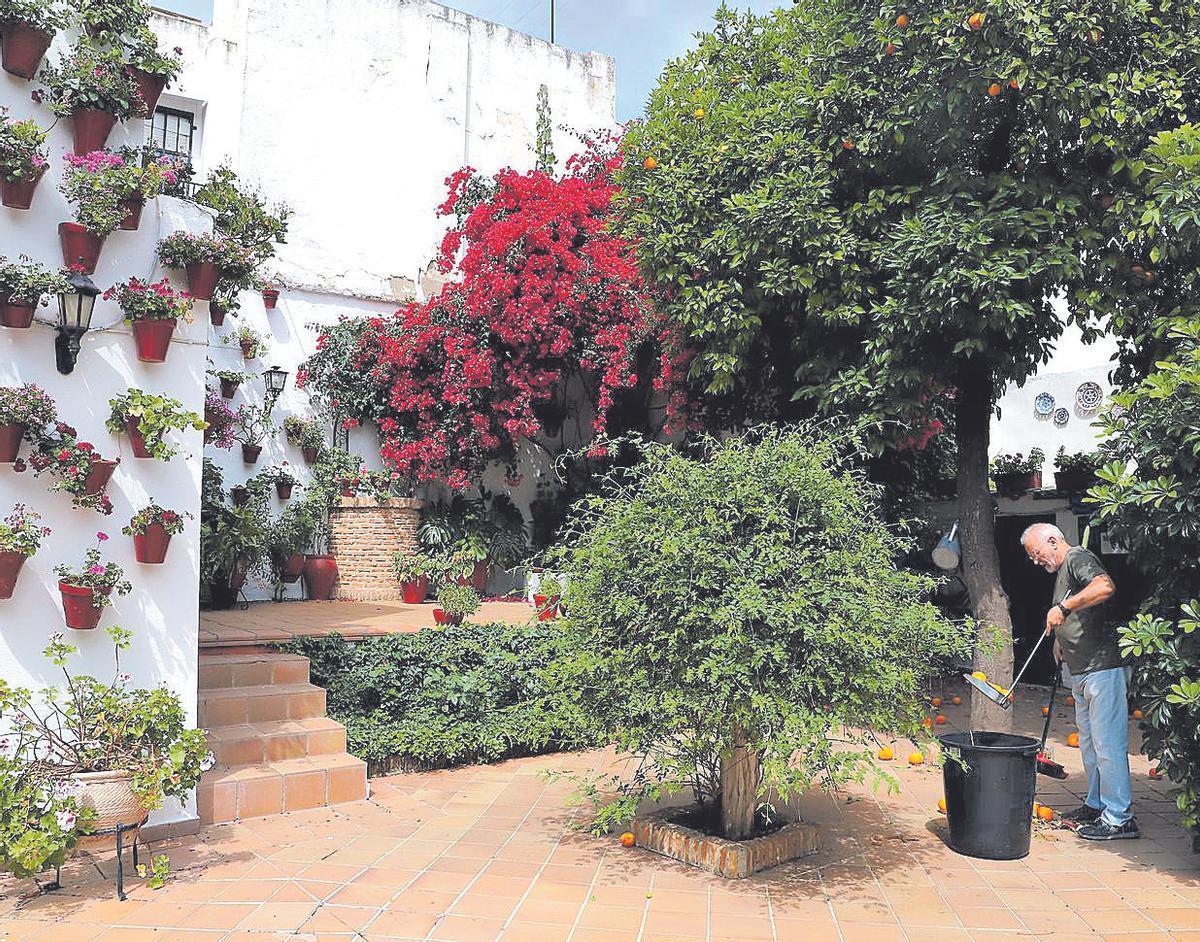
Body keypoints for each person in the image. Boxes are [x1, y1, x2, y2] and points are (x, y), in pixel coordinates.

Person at [1021, 522, 1137, 840]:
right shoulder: (1063, 571)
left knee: (1107, 744)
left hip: (1103, 667)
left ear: (1053, 540)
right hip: (1082, 669)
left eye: (1037, 553)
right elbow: (1081, 610)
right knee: (1089, 744)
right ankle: (1097, 803)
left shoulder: (1077, 557)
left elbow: (1104, 587)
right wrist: (1061, 639)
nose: (1035, 560)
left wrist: (1062, 607)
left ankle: (1120, 818)